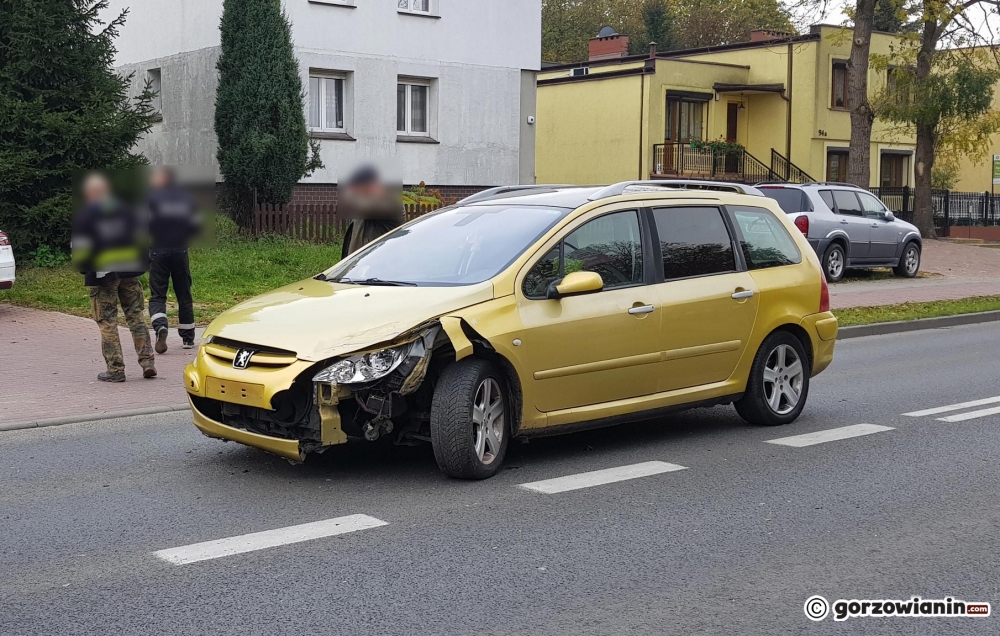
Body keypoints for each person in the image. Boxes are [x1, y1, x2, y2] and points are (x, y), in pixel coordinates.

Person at [72, 173, 156, 382]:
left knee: (107, 321)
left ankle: (116, 370)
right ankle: (147, 362)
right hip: (129, 272)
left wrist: (86, 270)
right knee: (136, 317)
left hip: (103, 276)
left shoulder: (87, 214)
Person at [147, 167, 200, 353]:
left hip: (159, 251)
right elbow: (195, 226)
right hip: (180, 251)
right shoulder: (186, 199)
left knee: (157, 295)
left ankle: (161, 326)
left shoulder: (152, 199)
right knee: (184, 294)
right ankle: (188, 339)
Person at [338, 165, 405, 259]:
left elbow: (357, 204)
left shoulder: (392, 203)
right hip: (361, 264)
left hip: (380, 264)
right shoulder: (366, 202)